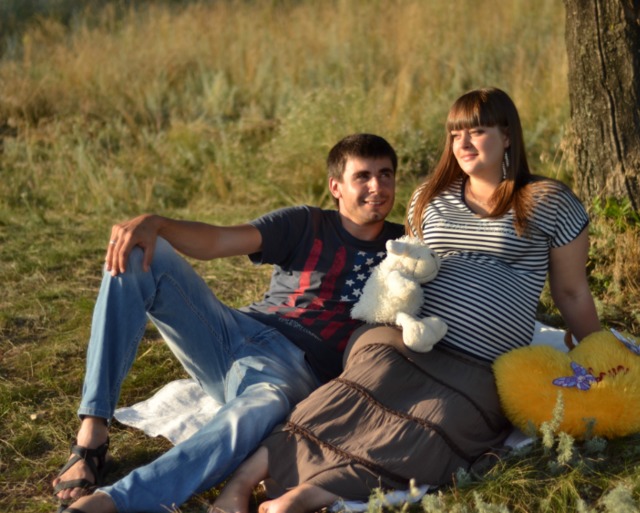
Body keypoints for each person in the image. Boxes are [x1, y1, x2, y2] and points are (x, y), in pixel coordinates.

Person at [209, 87, 602, 513]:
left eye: (477, 131)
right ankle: (240, 486)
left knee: (436, 427)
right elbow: (406, 267)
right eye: (455, 134)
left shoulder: (548, 201)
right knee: (343, 402)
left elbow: (571, 291)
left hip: (481, 364)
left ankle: (306, 495)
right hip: (407, 342)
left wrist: (598, 349)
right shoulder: (431, 197)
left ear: (508, 135)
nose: (464, 144)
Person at [52, 133, 404, 513]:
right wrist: (156, 224)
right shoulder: (307, 223)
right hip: (232, 332)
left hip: (293, 372)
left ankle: (114, 501)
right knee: (136, 252)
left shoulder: (406, 247)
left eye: (385, 175)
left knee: (260, 409)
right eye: (363, 176)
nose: (377, 187)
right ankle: (92, 431)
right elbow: (218, 242)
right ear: (336, 186)